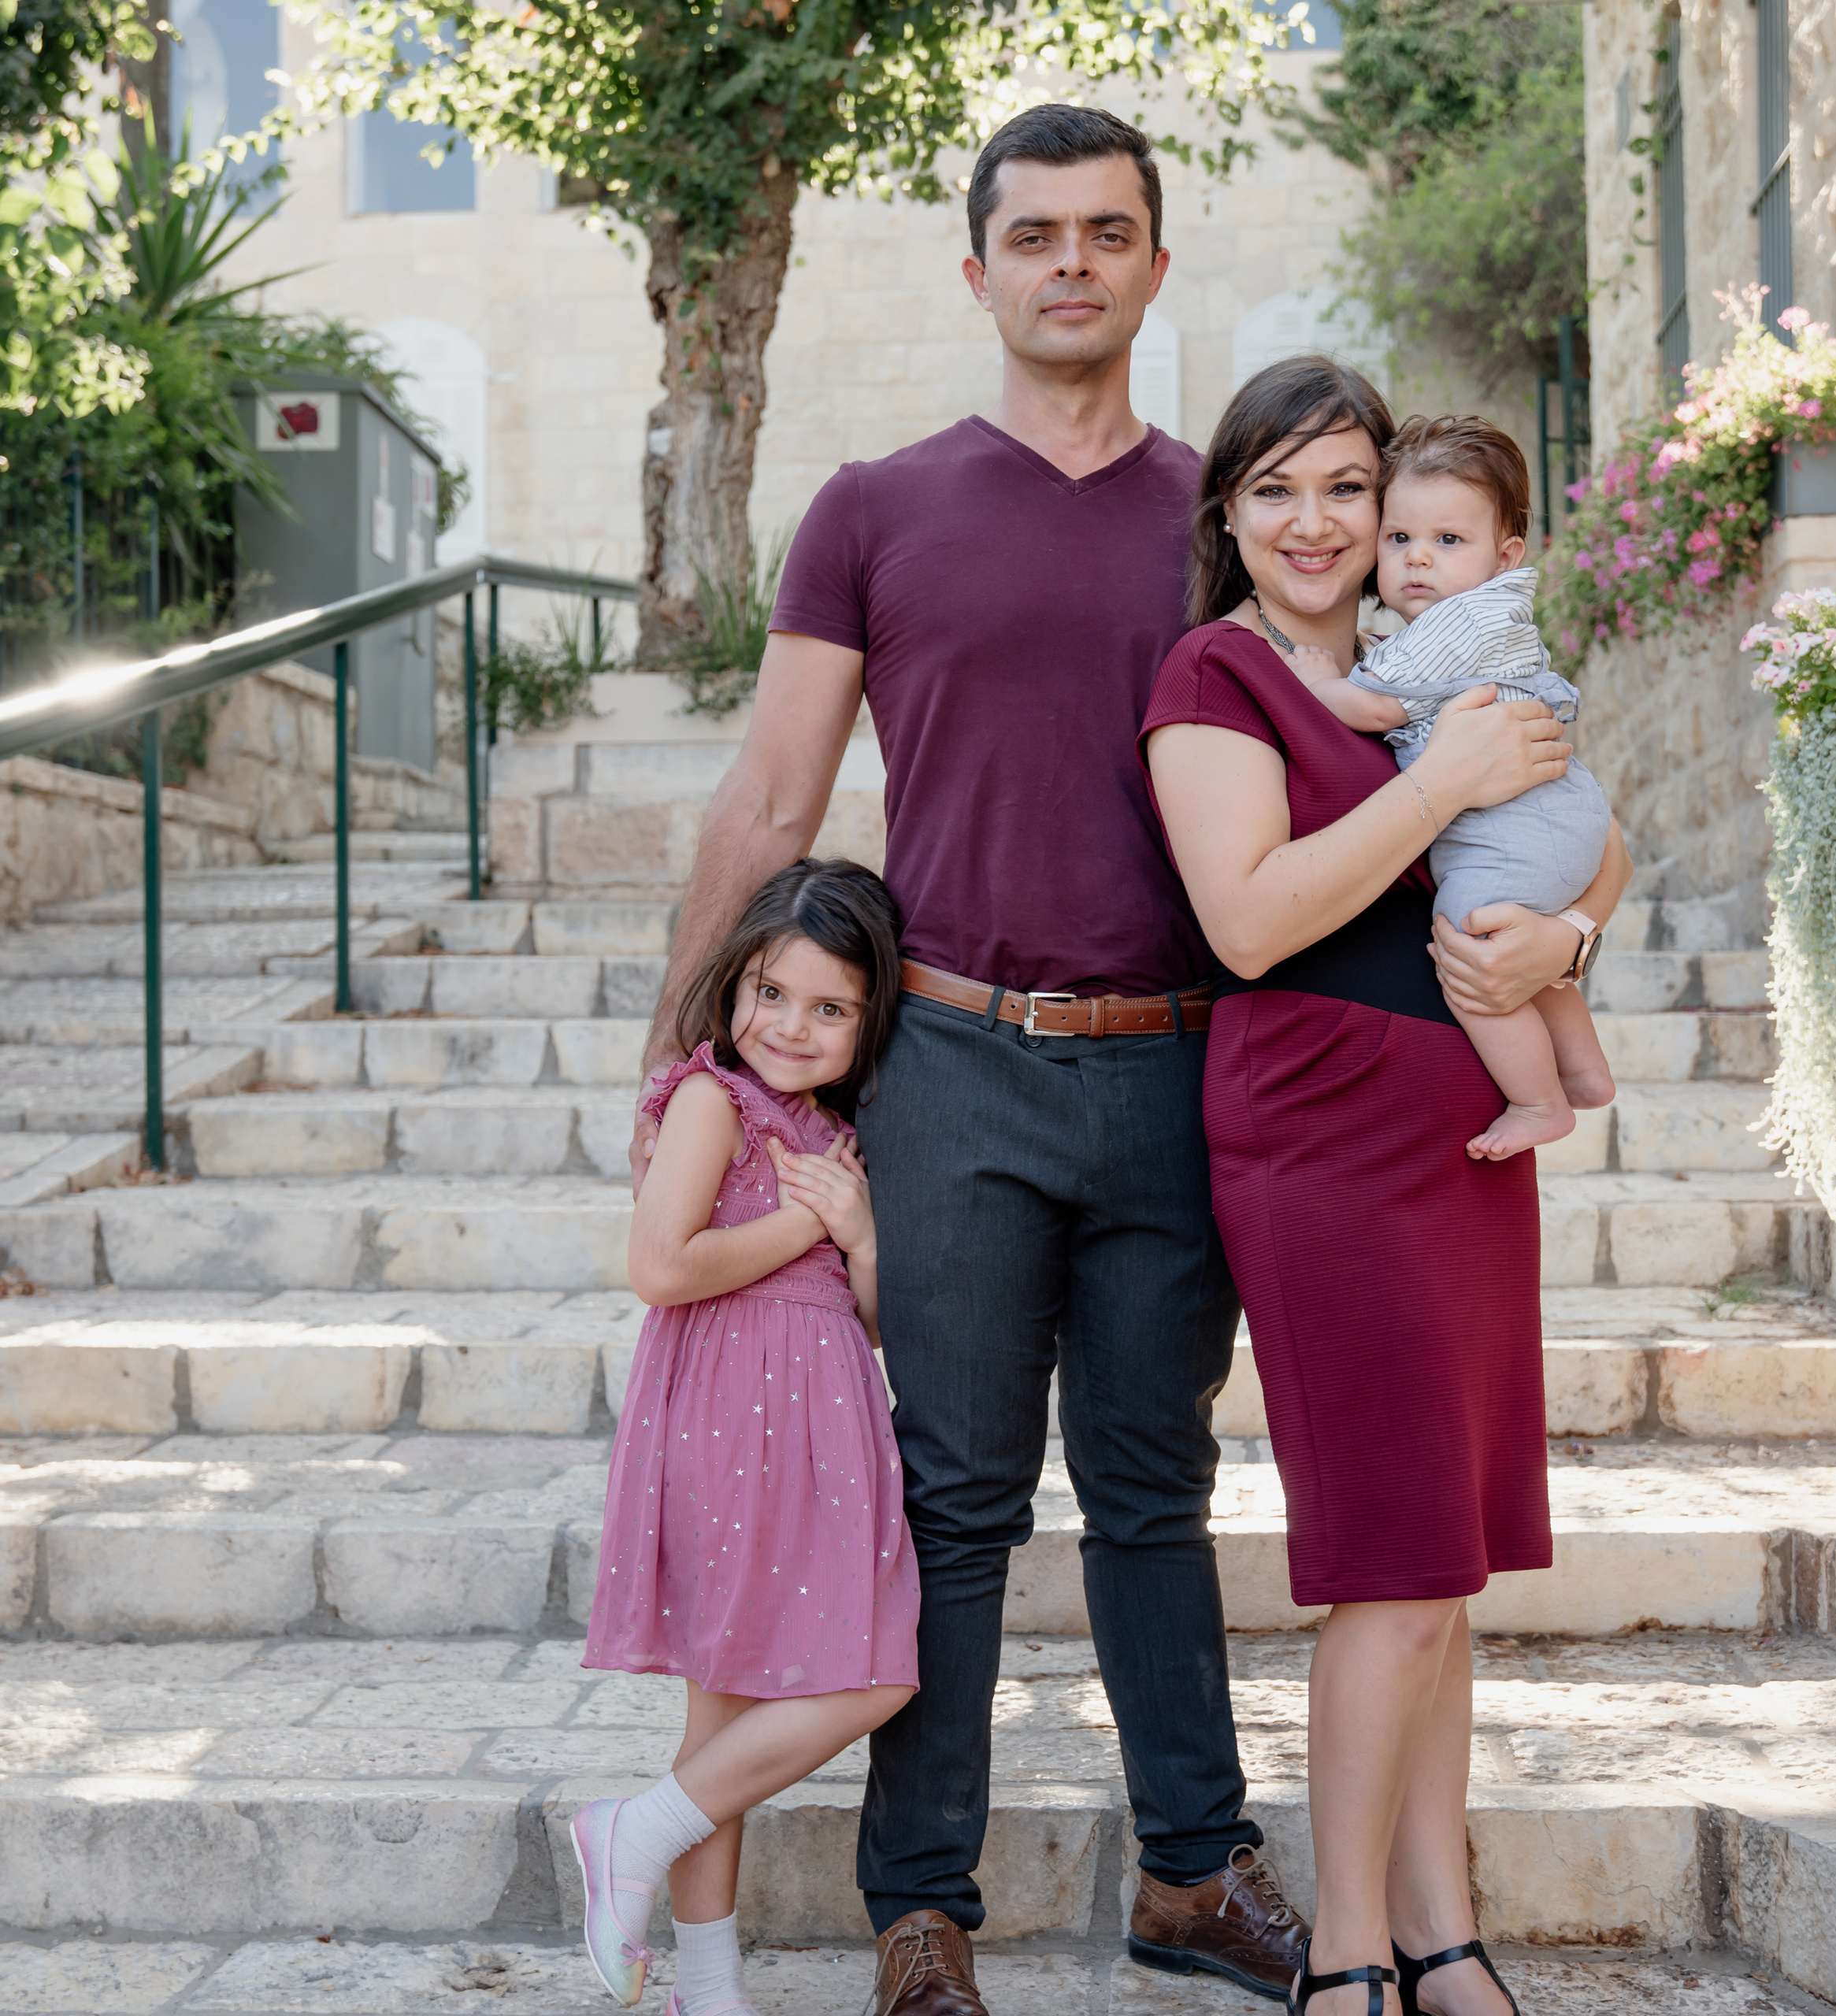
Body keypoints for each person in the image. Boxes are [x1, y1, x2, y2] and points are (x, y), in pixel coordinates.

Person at [629, 103, 1326, 2016]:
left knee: (1152, 1485)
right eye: (1036, 235)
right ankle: (914, 1912)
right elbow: (773, 788)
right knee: (948, 1499)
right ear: (979, 271)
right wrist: (678, 1047)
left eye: (1108, 232)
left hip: (1176, 1063)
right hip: (945, 1064)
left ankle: (1194, 1871)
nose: (1072, 263)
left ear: (1153, 268)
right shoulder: (872, 505)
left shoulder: (1220, 522)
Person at [1139, 354, 1631, 2016]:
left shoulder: (1443, 657)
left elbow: (1587, 823)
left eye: (1344, 487)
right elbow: (1249, 920)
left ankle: (1444, 1930)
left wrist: (1567, 933)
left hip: (1459, 1134)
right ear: (1227, 511)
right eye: (1274, 487)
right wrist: (1439, 784)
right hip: (1320, 1130)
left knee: (1445, 1557)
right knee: (1392, 1557)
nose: (1316, 519)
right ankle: (1347, 1942)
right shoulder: (1217, 674)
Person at [577, 858, 919, 2016]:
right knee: (838, 1678)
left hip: (825, 1428)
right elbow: (660, 1266)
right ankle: (646, 1858)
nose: (791, 1026)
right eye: (772, 992)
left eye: (830, 1009)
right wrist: (794, 1221)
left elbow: (869, 1321)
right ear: (735, 986)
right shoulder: (714, 1101)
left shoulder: (836, 1133)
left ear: (868, 1021)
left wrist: (861, 1233)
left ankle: (699, 1974)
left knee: (792, 1692)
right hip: (727, 1422)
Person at [1288, 414, 1616, 1160]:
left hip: (1518, 828)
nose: (1418, 563)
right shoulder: (1489, 617)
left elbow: (1372, 708)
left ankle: (1539, 1102)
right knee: (1523, 944)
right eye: (1400, 540)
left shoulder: (1450, 629)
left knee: (1470, 948)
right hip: (1558, 818)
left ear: (1505, 557)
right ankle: (1586, 1071)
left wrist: (1320, 682)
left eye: (1448, 542)